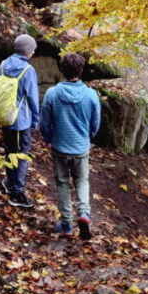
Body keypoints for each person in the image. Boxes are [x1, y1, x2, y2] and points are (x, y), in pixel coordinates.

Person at [39, 53, 100, 239]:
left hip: (59, 147)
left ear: (62, 70)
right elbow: (95, 124)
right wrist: (87, 137)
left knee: (62, 183)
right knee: (82, 181)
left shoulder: (52, 93)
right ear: (81, 70)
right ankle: (83, 214)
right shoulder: (91, 95)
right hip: (80, 148)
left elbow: (44, 122)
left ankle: (66, 224)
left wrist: (48, 138)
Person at [0, 34, 39, 208]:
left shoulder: (3, 64)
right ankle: (17, 193)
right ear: (28, 52)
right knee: (21, 155)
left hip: (5, 116)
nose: (33, 52)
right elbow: (33, 98)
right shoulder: (28, 71)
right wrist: (35, 120)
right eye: (33, 49)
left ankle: (9, 181)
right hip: (21, 121)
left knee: (9, 150)